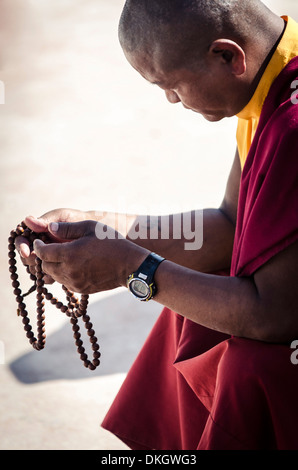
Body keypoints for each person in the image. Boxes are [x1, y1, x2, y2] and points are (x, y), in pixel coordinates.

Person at [16, 0, 298, 450]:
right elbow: (229, 224)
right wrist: (102, 230)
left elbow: (275, 316)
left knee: (250, 367)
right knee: (190, 302)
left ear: (227, 56)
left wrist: (134, 271)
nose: (171, 100)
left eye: (172, 85)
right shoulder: (272, 82)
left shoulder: (292, 124)